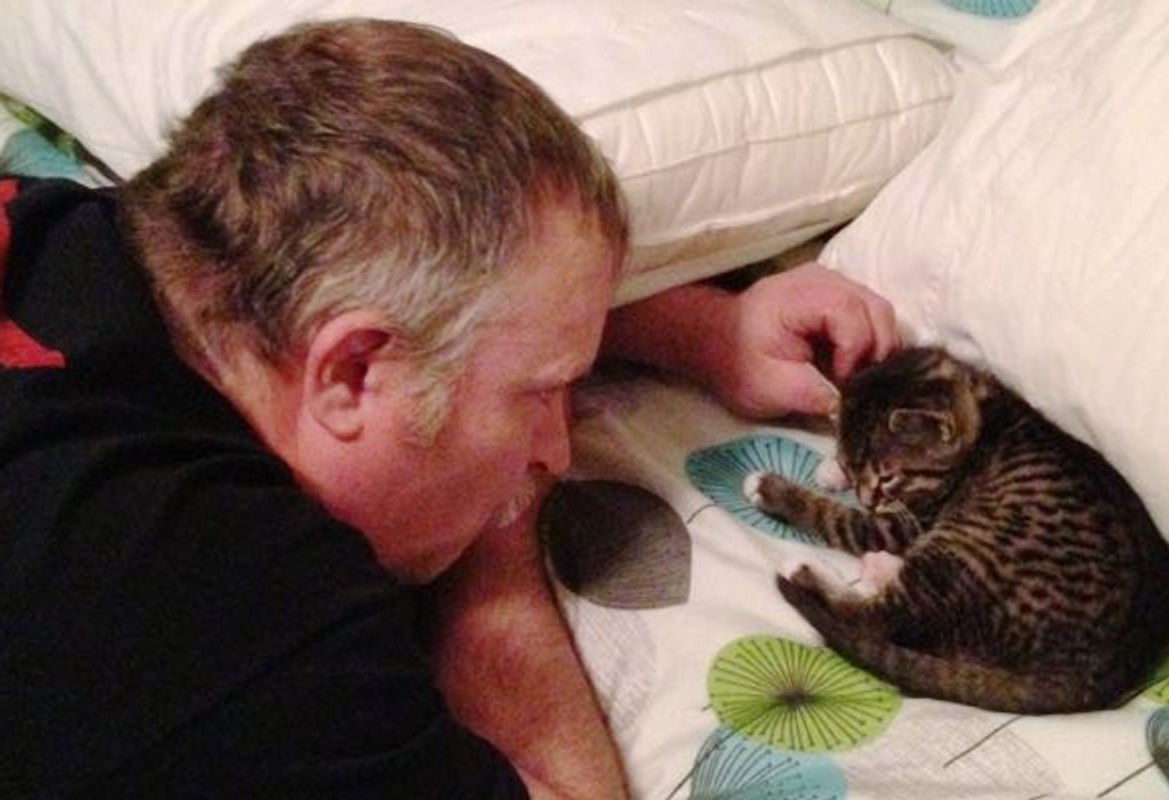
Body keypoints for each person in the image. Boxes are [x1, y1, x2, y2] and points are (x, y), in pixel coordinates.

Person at [0, 18, 897, 800]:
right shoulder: (222, 622)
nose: (555, 448)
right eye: (538, 396)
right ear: (351, 373)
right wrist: (499, 539)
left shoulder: (69, 235)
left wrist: (700, 332)